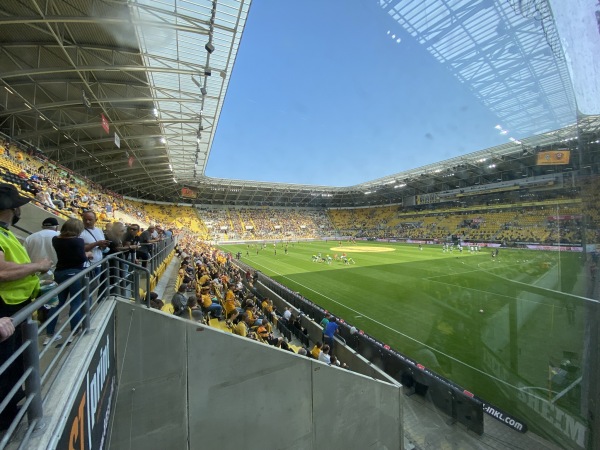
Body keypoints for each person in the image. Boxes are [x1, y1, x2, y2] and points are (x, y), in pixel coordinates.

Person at [0, 184, 53, 431]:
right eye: (17, 206)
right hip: (5, 309)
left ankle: (11, 408)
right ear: (9, 209)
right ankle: (5, 417)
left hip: (17, 307)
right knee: (6, 364)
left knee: (16, 362)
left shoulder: (6, 232)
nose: (20, 210)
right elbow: (1, 271)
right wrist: (37, 267)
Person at [46, 219, 93, 345]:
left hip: (60, 272)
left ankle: (49, 333)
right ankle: (75, 331)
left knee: (56, 303)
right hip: (75, 273)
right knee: (76, 302)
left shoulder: (55, 239)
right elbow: (81, 258)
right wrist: (88, 254)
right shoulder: (78, 241)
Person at [80, 210, 110, 274]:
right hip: (86, 265)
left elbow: (102, 247)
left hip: (98, 263)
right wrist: (96, 243)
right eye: (85, 219)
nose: (87, 222)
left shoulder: (99, 231)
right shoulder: (79, 231)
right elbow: (80, 248)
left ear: (95, 220)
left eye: (90, 220)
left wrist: (103, 246)